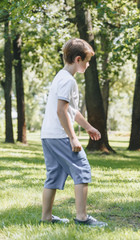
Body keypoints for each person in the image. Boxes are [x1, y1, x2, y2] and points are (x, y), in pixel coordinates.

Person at [40, 38, 107, 227]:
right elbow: (61, 111)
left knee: (53, 175)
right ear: (78, 59)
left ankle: (46, 217)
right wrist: (73, 137)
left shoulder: (60, 77)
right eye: (87, 61)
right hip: (61, 136)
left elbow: (71, 111)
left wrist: (88, 127)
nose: (87, 65)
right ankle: (82, 218)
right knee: (82, 170)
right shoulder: (68, 82)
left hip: (48, 135)